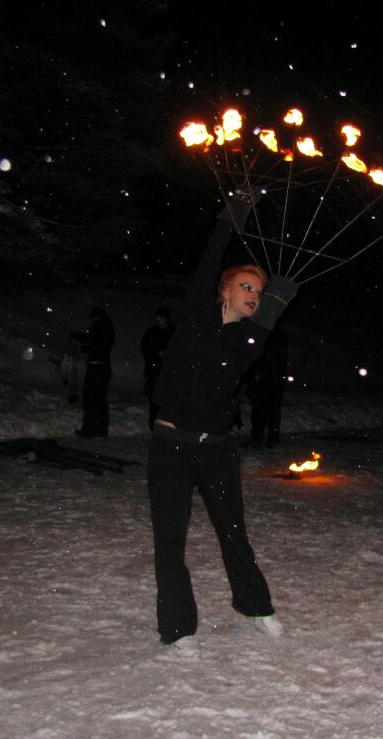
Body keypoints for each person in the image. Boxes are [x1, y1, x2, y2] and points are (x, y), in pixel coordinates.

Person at [148, 196, 298, 654]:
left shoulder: (248, 339)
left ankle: (254, 605)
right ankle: (178, 629)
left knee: (234, 533)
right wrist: (230, 221)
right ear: (225, 290)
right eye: (246, 287)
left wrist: (277, 301)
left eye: (259, 292)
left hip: (215, 449)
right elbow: (211, 259)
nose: (254, 295)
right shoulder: (195, 313)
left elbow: (263, 328)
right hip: (170, 445)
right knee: (170, 540)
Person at [71, 307, 115, 438]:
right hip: (102, 367)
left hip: (97, 367)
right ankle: (101, 429)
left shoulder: (100, 326)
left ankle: (89, 429)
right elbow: (98, 345)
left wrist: (79, 337)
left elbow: (94, 342)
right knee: (99, 399)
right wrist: (84, 346)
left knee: (90, 398)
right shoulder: (107, 327)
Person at [244, 325, 289, 448]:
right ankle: (270, 438)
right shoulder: (276, 335)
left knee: (262, 410)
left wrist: (256, 374)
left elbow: (262, 357)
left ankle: (261, 439)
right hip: (272, 379)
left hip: (267, 379)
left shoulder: (268, 335)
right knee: (269, 410)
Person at [140, 307, 175, 430]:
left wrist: (167, 354)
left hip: (169, 373)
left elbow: (180, 351)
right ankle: (154, 426)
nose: (159, 320)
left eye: (161, 317)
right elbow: (145, 348)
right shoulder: (152, 332)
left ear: (167, 319)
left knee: (167, 401)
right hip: (154, 372)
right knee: (154, 400)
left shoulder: (174, 333)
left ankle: (166, 427)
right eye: (158, 317)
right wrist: (155, 353)